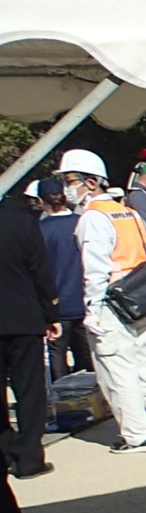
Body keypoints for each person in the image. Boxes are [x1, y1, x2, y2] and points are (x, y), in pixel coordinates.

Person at [57, 149, 146, 454]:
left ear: (90, 183)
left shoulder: (93, 218)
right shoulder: (128, 212)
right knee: (145, 365)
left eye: (70, 180)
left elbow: (96, 269)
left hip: (112, 301)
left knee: (117, 370)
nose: (66, 188)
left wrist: (92, 311)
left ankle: (137, 435)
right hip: (141, 296)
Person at [0, 188, 60, 479]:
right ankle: (29, 457)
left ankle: (3, 450)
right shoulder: (22, 220)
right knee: (29, 391)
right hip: (23, 315)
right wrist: (51, 313)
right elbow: (40, 269)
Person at [35, 178, 89, 378]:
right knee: (88, 357)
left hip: (57, 305)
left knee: (57, 357)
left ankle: (62, 402)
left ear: (41, 201)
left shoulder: (40, 229)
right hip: (84, 300)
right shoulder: (81, 223)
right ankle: (96, 402)